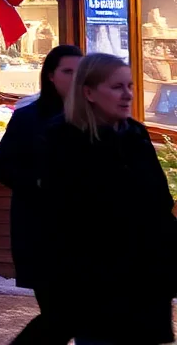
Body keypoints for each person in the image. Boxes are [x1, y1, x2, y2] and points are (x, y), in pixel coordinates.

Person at [38, 53, 177, 344]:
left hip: (147, 283)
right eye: (116, 87)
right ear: (88, 92)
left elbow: (160, 205)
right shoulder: (66, 140)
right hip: (97, 287)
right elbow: (63, 220)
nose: (128, 95)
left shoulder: (136, 135)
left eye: (129, 86)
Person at [0, 45, 82, 341]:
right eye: (68, 71)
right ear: (51, 76)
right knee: (60, 315)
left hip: (84, 238)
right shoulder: (29, 118)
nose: (75, 78)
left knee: (72, 316)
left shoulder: (94, 117)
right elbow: (1, 166)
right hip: (40, 233)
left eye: (81, 71)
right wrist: (40, 183)